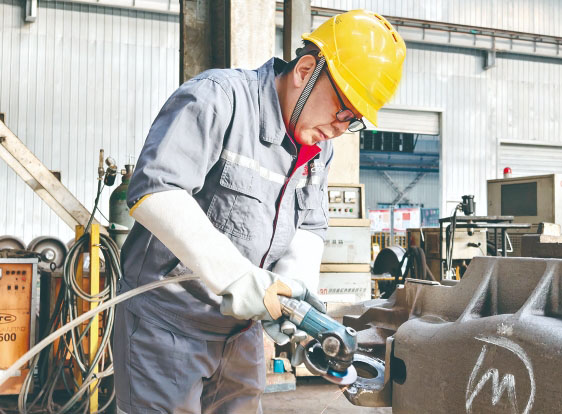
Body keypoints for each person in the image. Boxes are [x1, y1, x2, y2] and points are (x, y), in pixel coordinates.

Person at [113, 9, 406, 414]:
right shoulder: (218, 98)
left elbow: (310, 226)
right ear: (305, 71)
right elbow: (156, 191)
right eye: (343, 108)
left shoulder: (319, 150)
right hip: (167, 328)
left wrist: (292, 294)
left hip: (240, 335)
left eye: (354, 120)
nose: (341, 127)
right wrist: (239, 277)